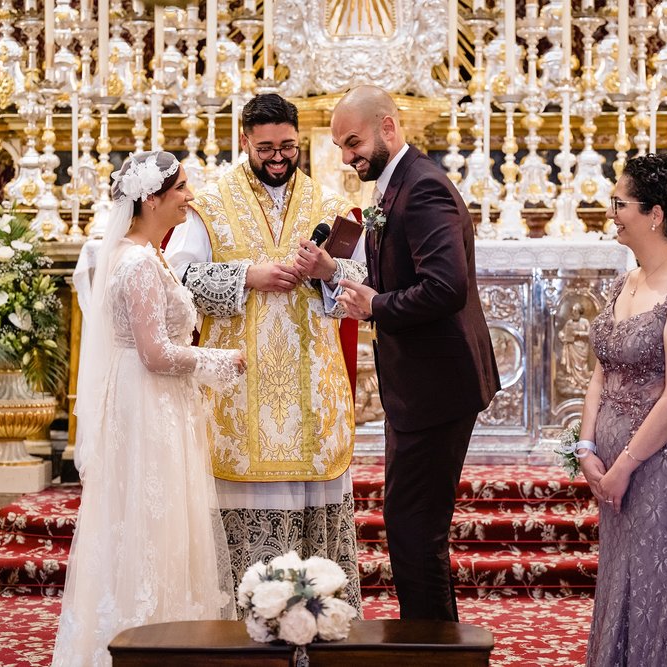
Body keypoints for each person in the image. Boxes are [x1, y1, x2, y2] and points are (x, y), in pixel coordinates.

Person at [164, 93, 366, 613]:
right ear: (244, 142)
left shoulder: (330, 207)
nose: (278, 158)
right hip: (241, 394)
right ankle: (242, 636)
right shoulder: (207, 207)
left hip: (309, 393)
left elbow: (362, 286)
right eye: (266, 148)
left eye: (288, 147)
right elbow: (175, 282)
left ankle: (318, 630)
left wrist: (327, 273)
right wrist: (248, 276)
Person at [52, 151, 245, 667]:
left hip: (151, 400)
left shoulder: (143, 253)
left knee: (155, 521)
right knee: (153, 521)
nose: (189, 196)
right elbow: (155, 353)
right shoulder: (137, 262)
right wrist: (224, 361)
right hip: (149, 402)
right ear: (150, 198)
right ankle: (148, 639)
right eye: (181, 187)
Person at [331, 85, 500, 621]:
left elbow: (446, 287)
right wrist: (333, 272)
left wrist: (376, 305)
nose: (346, 156)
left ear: (387, 128)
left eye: (352, 142)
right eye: (339, 146)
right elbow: (395, 270)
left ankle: (433, 649)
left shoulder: (422, 187)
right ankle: (431, 646)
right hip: (422, 386)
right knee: (411, 527)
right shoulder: (395, 183)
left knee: (414, 531)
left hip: (437, 386)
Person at [576, 146, 667, 666]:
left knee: (657, 582)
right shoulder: (626, 281)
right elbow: (602, 368)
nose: (611, 214)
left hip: (663, 466)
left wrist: (624, 467)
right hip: (612, 464)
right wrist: (587, 446)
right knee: (621, 578)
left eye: (619, 204)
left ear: (654, 215)